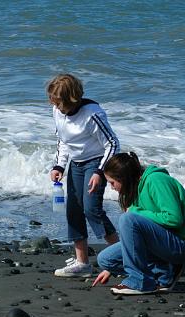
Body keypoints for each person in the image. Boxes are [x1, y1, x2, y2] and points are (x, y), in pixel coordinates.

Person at [93, 152, 185, 295]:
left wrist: (136, 211)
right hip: (160, 244)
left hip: (181, 244)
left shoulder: (157, 180)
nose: (112, 187)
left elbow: (174, 219)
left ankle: (140, 281)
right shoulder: (134, 189)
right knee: (106, 260)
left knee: (128, 219)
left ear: (124, 178)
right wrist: (110, 269)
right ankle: (164, 272)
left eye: (112, 182)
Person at [47, 73, 120, 278]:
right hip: (76, 164)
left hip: (96, 162)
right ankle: (82, 263)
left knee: (92, 210)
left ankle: (126, 254)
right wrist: (59, 166)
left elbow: (112, 144)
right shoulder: (57, 111)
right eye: (54, 102)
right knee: (74, 210)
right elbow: (63, 141)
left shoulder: (93, 114)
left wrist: (99, 172)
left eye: (59, 102)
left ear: (72, 98)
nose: (56, 107)